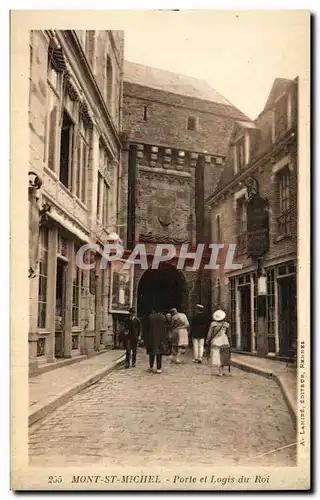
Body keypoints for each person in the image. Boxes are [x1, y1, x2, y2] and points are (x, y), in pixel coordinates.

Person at [206, 309, 231, 376]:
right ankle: (221, 371)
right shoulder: (226, 324)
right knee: (223, 355)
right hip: (224, 340)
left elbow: (210, 333)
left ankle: (219, 371)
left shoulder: (213, 324)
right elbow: (229, 334)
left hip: (216, 340)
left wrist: (208, 340)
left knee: (216, 355)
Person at [144, 309, 168, 374]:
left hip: (152, 337)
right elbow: (165, 328)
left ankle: (151, 366)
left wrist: (145, 338)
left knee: (151, 352)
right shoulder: (163, 317)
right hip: (160, 338)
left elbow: (146, 328)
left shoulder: (150, 317)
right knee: (159, 353)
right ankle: (159, 368)